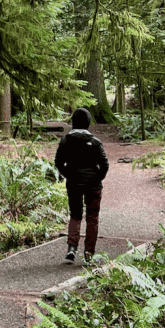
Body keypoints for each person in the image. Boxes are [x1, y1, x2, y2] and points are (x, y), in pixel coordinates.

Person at [54, 107, 109, 263]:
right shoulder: (95, 142)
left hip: (74, 184)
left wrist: (68, 175)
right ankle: (89, 254)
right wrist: (97, 178)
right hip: (94, 185)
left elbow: (58, 162)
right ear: (88, 123)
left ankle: (71, 249)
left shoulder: (65, 141)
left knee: (75, 215)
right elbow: (104, 164)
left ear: (73, 122)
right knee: (92, 218)